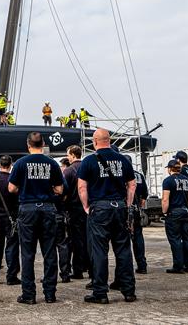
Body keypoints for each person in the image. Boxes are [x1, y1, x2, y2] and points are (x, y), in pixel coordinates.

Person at [77, 128, 137, 304]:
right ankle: (129, 291)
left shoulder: (88, 161)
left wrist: (86, 206)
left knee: (99, 252)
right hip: (119, 207)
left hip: (100, 208)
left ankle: (100, 293)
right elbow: (131, 185)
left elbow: (82, 187)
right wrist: (126, 204)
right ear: (109, 141)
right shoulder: (123, 160)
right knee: (124, 250)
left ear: (95, 141)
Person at [8, 132, 65, 305]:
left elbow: (11, 188)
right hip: (48, 209)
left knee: (27, 253)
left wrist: (24, 189)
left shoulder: (20, 163)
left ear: (28, 144)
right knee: (49, 252)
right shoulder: (52, 163)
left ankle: (29, 294)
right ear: (43, 144)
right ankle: (50, 293)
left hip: (27, 209)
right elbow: (60, 190)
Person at [0, 155, 20, 285]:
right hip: (12, 218)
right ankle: (11, 276)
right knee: (12, 247)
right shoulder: (14, 180)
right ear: (11, 165)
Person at [161, 159, 188, 274]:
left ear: (170, 169)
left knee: (175, 239)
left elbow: (165, 199)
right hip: (186, 212)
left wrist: (164, 212)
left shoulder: (168, 181)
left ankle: (178, 266)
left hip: (174, 213)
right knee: (187, 238)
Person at [63, 145, 89, 281]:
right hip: (89, 208)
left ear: (73, 155)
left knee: (76, 240)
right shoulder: (88, 167)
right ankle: (91, 269)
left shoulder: (68, 171)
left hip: (74, 209)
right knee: (89, 239)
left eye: (68, 155)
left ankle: (78, 270)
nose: (67, 157)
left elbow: (63, 191)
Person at [55, 158, 72, 283]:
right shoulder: (59, 176)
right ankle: (65, 274)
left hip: (45, 214)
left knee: (48, 247)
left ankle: (49, 275)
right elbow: (66, 192)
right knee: (62, 245)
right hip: (59, 214)